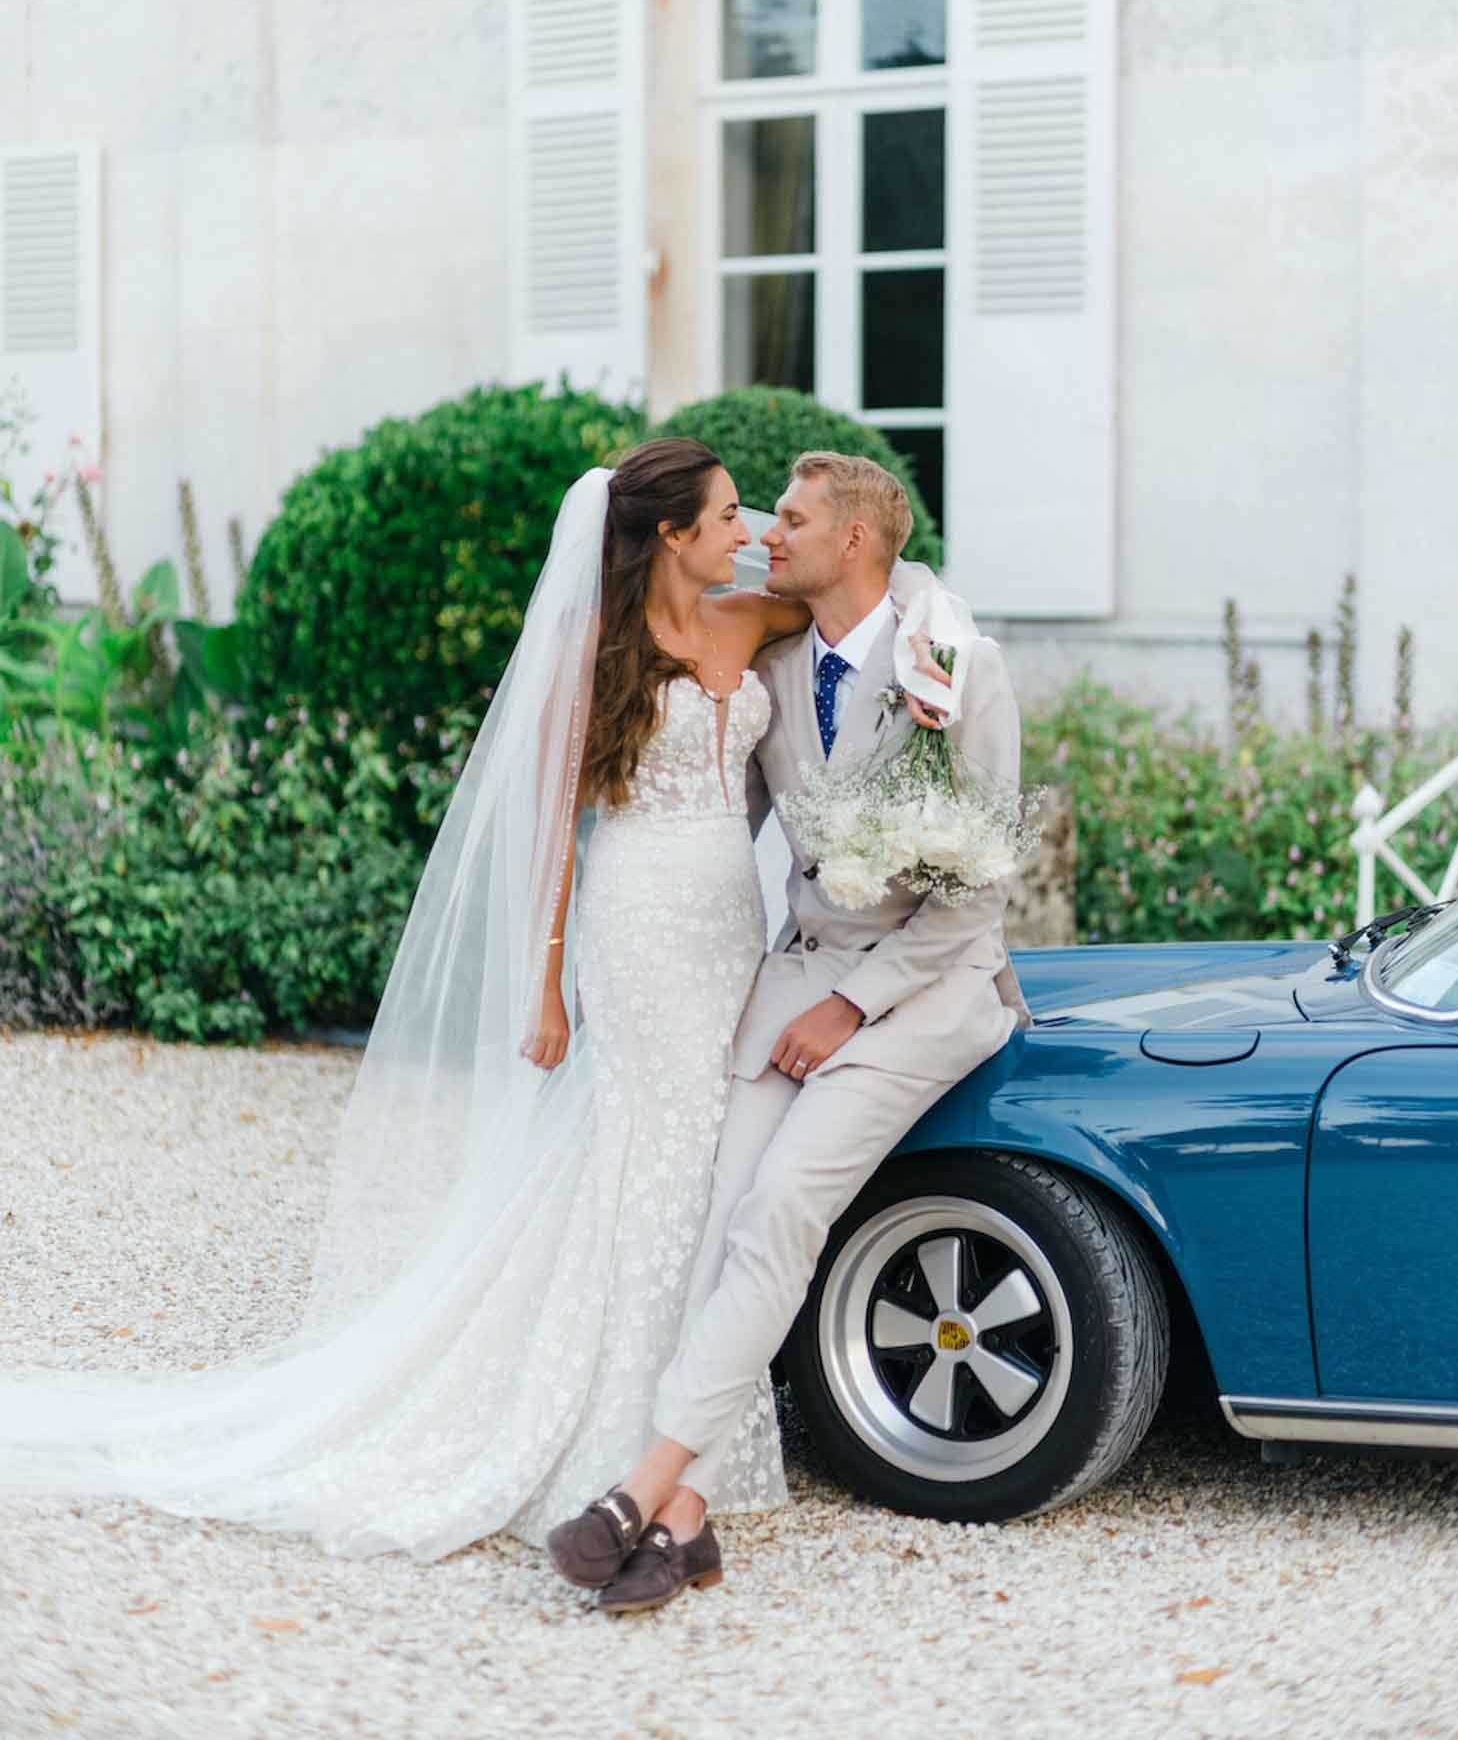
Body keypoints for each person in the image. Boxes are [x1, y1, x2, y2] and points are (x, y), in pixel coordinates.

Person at [0, 440, 812, 1560]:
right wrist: (545, 986)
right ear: (671, 533)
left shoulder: (754, 618)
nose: (750, 527)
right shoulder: (595, 648)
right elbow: (550, 838)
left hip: (732, 924)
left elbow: (867, 592)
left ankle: (689, 1435)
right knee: (652, 1151)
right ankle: (626, 1443)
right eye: (728, 513)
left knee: (708, 1153)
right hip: (636, 926)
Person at [548, 451, 1028, 1613]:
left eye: (796, 519)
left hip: (928, 989)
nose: (770, 531)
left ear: (857, 542)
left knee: (781, 1205)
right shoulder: (768, 655)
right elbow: (720, 815)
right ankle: (690, 1519)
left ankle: (646, 1486)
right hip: (798, 971)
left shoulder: (958, 664)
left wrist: (853, 1003)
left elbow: (979, 893)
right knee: (719, 1197)